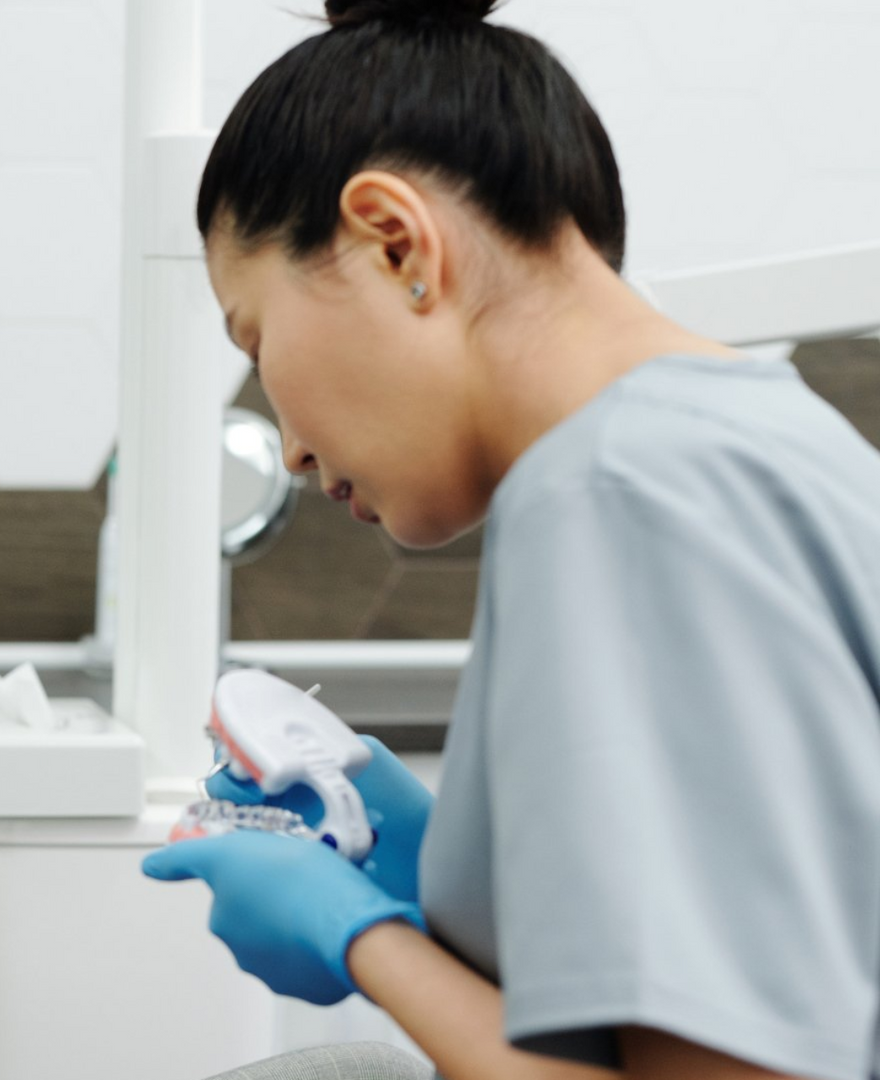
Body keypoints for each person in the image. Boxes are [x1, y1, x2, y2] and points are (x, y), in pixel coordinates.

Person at [142, 1, 880, 1079]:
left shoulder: (616, 493)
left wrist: (366, 938)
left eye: (255, 336)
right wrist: (452, 871)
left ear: (396, 242)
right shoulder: (759, 433)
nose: (290, 448)